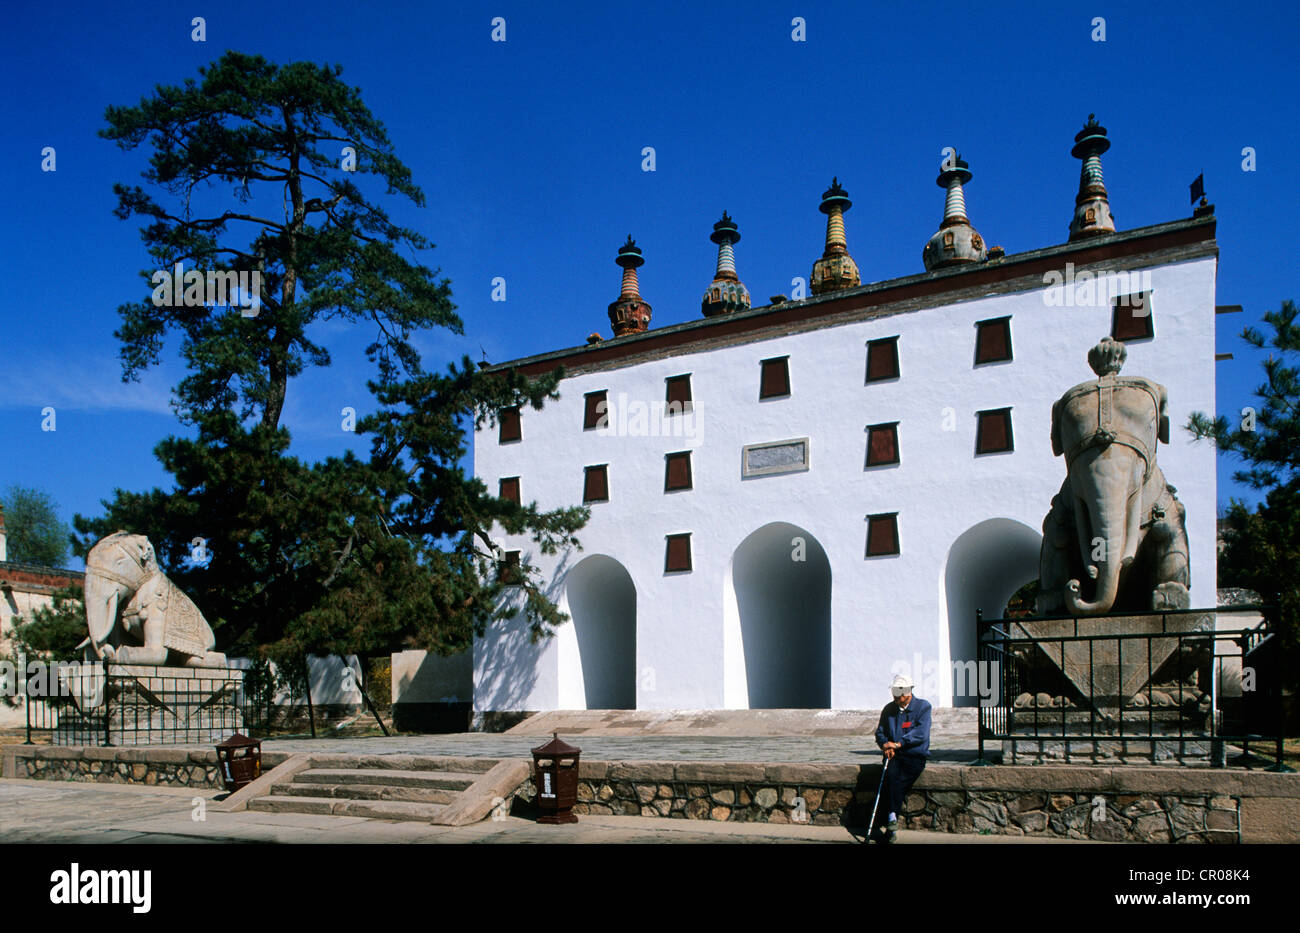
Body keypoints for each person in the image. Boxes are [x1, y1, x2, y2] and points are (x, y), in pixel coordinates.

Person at [872, 673, 931, 843]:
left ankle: (891, 816)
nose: (896, 698)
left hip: (914, 755)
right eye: (895, 694)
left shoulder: (923, 707)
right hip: (894, 755)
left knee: (895, 782)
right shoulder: (889, 709)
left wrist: (897, 744)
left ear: (908, 693)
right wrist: (885, 745)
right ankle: (891, 820)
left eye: (900, 695)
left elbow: (920, 734)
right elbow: (880, 732)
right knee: (891, 777)